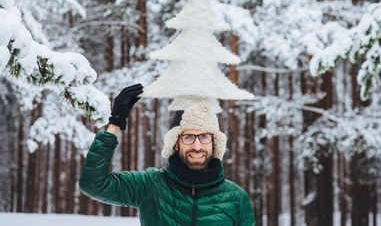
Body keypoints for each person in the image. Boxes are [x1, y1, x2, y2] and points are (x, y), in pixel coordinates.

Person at [79, 84, 256, 225]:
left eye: (203, 137)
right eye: (188, 137)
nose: (196, 146)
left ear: (214, 142)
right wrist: (115, 123)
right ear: (176, 143)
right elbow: (93, 184)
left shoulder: (235, 198)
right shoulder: (150, 185)